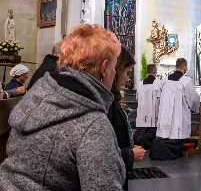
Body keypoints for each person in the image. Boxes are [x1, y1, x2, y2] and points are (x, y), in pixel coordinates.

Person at [0, 24, 126, 191]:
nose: (113, 74)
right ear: (104, 68)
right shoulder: (92, 124)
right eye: (113, 68)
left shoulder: (35, 97)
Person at [108, 46, 146, 191]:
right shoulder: (107, 103)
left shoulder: (111, 99)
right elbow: (103, 152)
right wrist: (130, 154)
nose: (127, 79)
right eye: (127, 73)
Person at [150, 58, 200, 160]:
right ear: (184, 67)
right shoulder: (186, 81)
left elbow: (158, 96)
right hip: (179, 116)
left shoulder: (164, 81)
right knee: (177, 134)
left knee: (165, 135)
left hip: (165, 115)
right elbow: (194, 100)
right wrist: (195, 108)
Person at [134, 64, 162, 149]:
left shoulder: (140, 84)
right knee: (152, 131)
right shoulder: (158, 83)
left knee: (143, 130)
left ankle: (140, 140)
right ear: (155, 72)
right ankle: (143, 140)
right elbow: (160, 98)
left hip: (142, 114)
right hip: (153, 114)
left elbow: (137, 98)